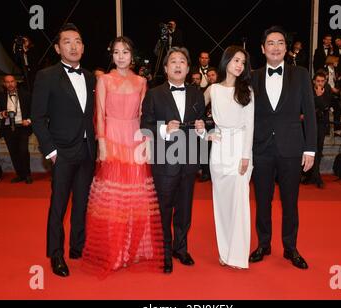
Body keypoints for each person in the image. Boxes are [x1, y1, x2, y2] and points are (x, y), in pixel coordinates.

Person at [81, 37, 164, 277]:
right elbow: (100, 114)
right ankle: (116, 251)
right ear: (112, 55)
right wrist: (103, 145)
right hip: (113, 139)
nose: (120, 56)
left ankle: (133, 249)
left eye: (125, 52)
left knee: (136, 200)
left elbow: (144, 115)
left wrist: (147, 142)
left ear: (132, 55)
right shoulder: (104, 80)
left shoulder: (141, 82)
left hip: (135, 138)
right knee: (114, 200)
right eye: (116, 52)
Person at [31, 23, 96, 277]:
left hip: (87, 149)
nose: (74, 46)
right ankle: (56, 255)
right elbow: (37, 117)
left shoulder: (90, 77)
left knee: (81, 203)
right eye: (67, 42)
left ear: (83, 47)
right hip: (62, 152)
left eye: (78, 41)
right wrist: (51, 151)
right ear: (58, 48)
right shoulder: (46, 76)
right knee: (58, 207)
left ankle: (77, 247)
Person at [249, 26, 317, 270]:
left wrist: (310, 149)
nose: (275, 47)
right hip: (261, 149)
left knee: (290, 202)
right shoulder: (253, 76)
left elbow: (309, 112)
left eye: (280, 43)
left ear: (286, 48)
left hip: (291, 149)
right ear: (262, 48)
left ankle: (290, 247)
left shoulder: (300, 74)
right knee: (262, 200)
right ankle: (263, 244)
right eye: (270, 43)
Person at [141, 47, 206, 274]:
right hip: (164, 159)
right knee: (164, 209)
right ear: (166, 67)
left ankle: (181, 248)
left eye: (182, 62)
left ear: (188, 68)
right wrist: (164, 129)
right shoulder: (154, 93)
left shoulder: (197, 93)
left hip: (189, 158)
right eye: (173, 62)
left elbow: (202, 124)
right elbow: (145, 126)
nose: (178, 65)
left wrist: (202, 128)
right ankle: (165, 252)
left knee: (185, 208)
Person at [204, 46, 254, 269]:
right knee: (221, 204)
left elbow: (250, 126)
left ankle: (238, 256)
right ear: (226, 62)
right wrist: (205, 133)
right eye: (235, 60)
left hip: (240, 151)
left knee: (239, 203)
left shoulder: (247, 92)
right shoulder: (212, 89)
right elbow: (193, 113)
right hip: (219, 150)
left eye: (242, 62)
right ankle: (225, 253)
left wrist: (245, 156)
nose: (239, 65)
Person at [0, 75, 33, 184]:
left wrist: (29, 120)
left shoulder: (26, 95)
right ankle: (20, 175)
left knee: (23, 150)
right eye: (7, 82)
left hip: (22, 127)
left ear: (16, 83)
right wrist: (2, 114)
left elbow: (33, 110)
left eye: (12, 81)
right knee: (13, 152)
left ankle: (27, 174)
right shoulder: (1, 96)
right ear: (4, 84)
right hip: (8, 128)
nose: (10, 84)